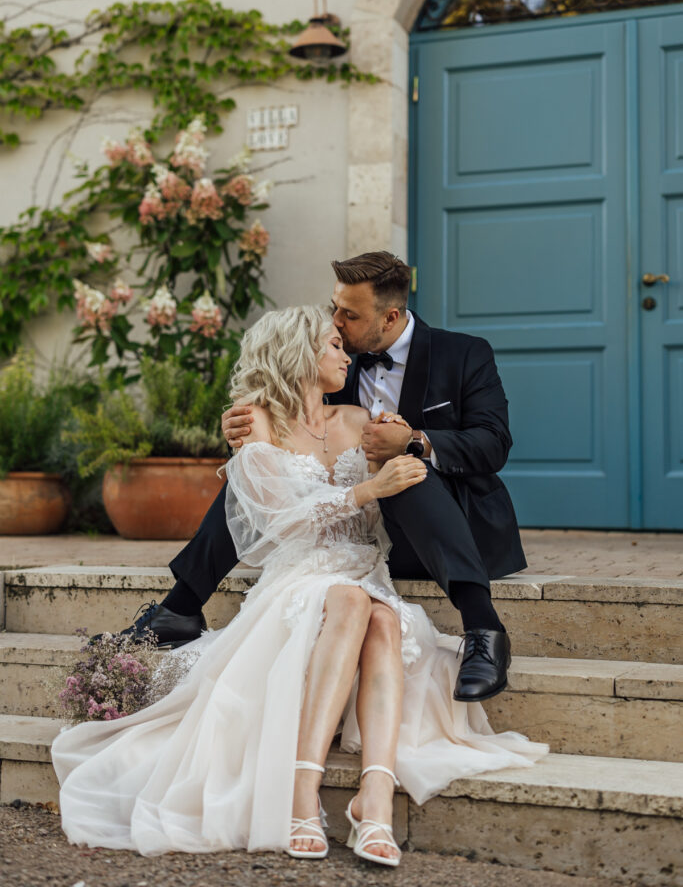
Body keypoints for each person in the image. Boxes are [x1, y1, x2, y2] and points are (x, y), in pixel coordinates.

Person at [54, 306, 547, 864]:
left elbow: (419, 482)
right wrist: (366, 489)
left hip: (366, 566)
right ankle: (305, 793)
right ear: (299, 354)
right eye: (334, 344)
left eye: (343, 337)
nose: (346, 353)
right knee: (354, 603)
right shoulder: (257, 424)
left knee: (383, 616)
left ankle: (372, 799)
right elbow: (278, 521)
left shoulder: (360, 418)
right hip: (303, 572)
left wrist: (403, 449)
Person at [106, 251, 525, 703]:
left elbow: (493, 443)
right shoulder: (337, 359)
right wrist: (245, 432)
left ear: (390, 316)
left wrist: (414, 441)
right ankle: (181, 608)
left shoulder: (463, 354)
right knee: (255, 477)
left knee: (406, 471)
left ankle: (484, 630)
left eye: (350, 315)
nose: (337, 323)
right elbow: (295, 435)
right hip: (361, 535)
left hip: (445, 529)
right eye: (334, 309)